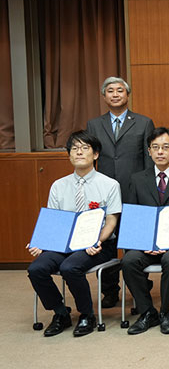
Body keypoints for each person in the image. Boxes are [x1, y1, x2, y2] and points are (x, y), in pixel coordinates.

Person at [27, 131, 121, 337]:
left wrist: (98, 240)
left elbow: (112, 221)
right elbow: (54, 221)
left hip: (99, 244)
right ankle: (60, 313)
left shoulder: (110, 185)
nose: (79, 152)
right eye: (74, 148)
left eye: (84, 148)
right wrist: (42, 242)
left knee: (70, 267)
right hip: (63, 243)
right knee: (37, 268)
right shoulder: (58, 186)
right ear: (69, 154)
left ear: (95, 155)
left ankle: (87, 315)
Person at [121, 127, 169, 335]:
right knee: (129, 261)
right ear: (149, 151)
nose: (160, 152)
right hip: (146, 244)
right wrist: (147, 243)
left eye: (166, 147)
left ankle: (166, 312)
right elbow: (133, 217)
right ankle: (148, 311)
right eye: (155, 147)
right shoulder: (137, 179)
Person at [86, 76, 155, 308]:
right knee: (106, 243)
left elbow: (149, 161)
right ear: (104, 96)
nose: (115, 94)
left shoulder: (144, 123)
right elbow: (89, 160)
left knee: (135, 242)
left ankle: (139, 289)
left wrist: (147, 192)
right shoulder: (94, 125)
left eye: (120, 91)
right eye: (110, 91)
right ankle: (110, 291)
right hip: (103, 194)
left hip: (134, 192)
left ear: (128, 95)